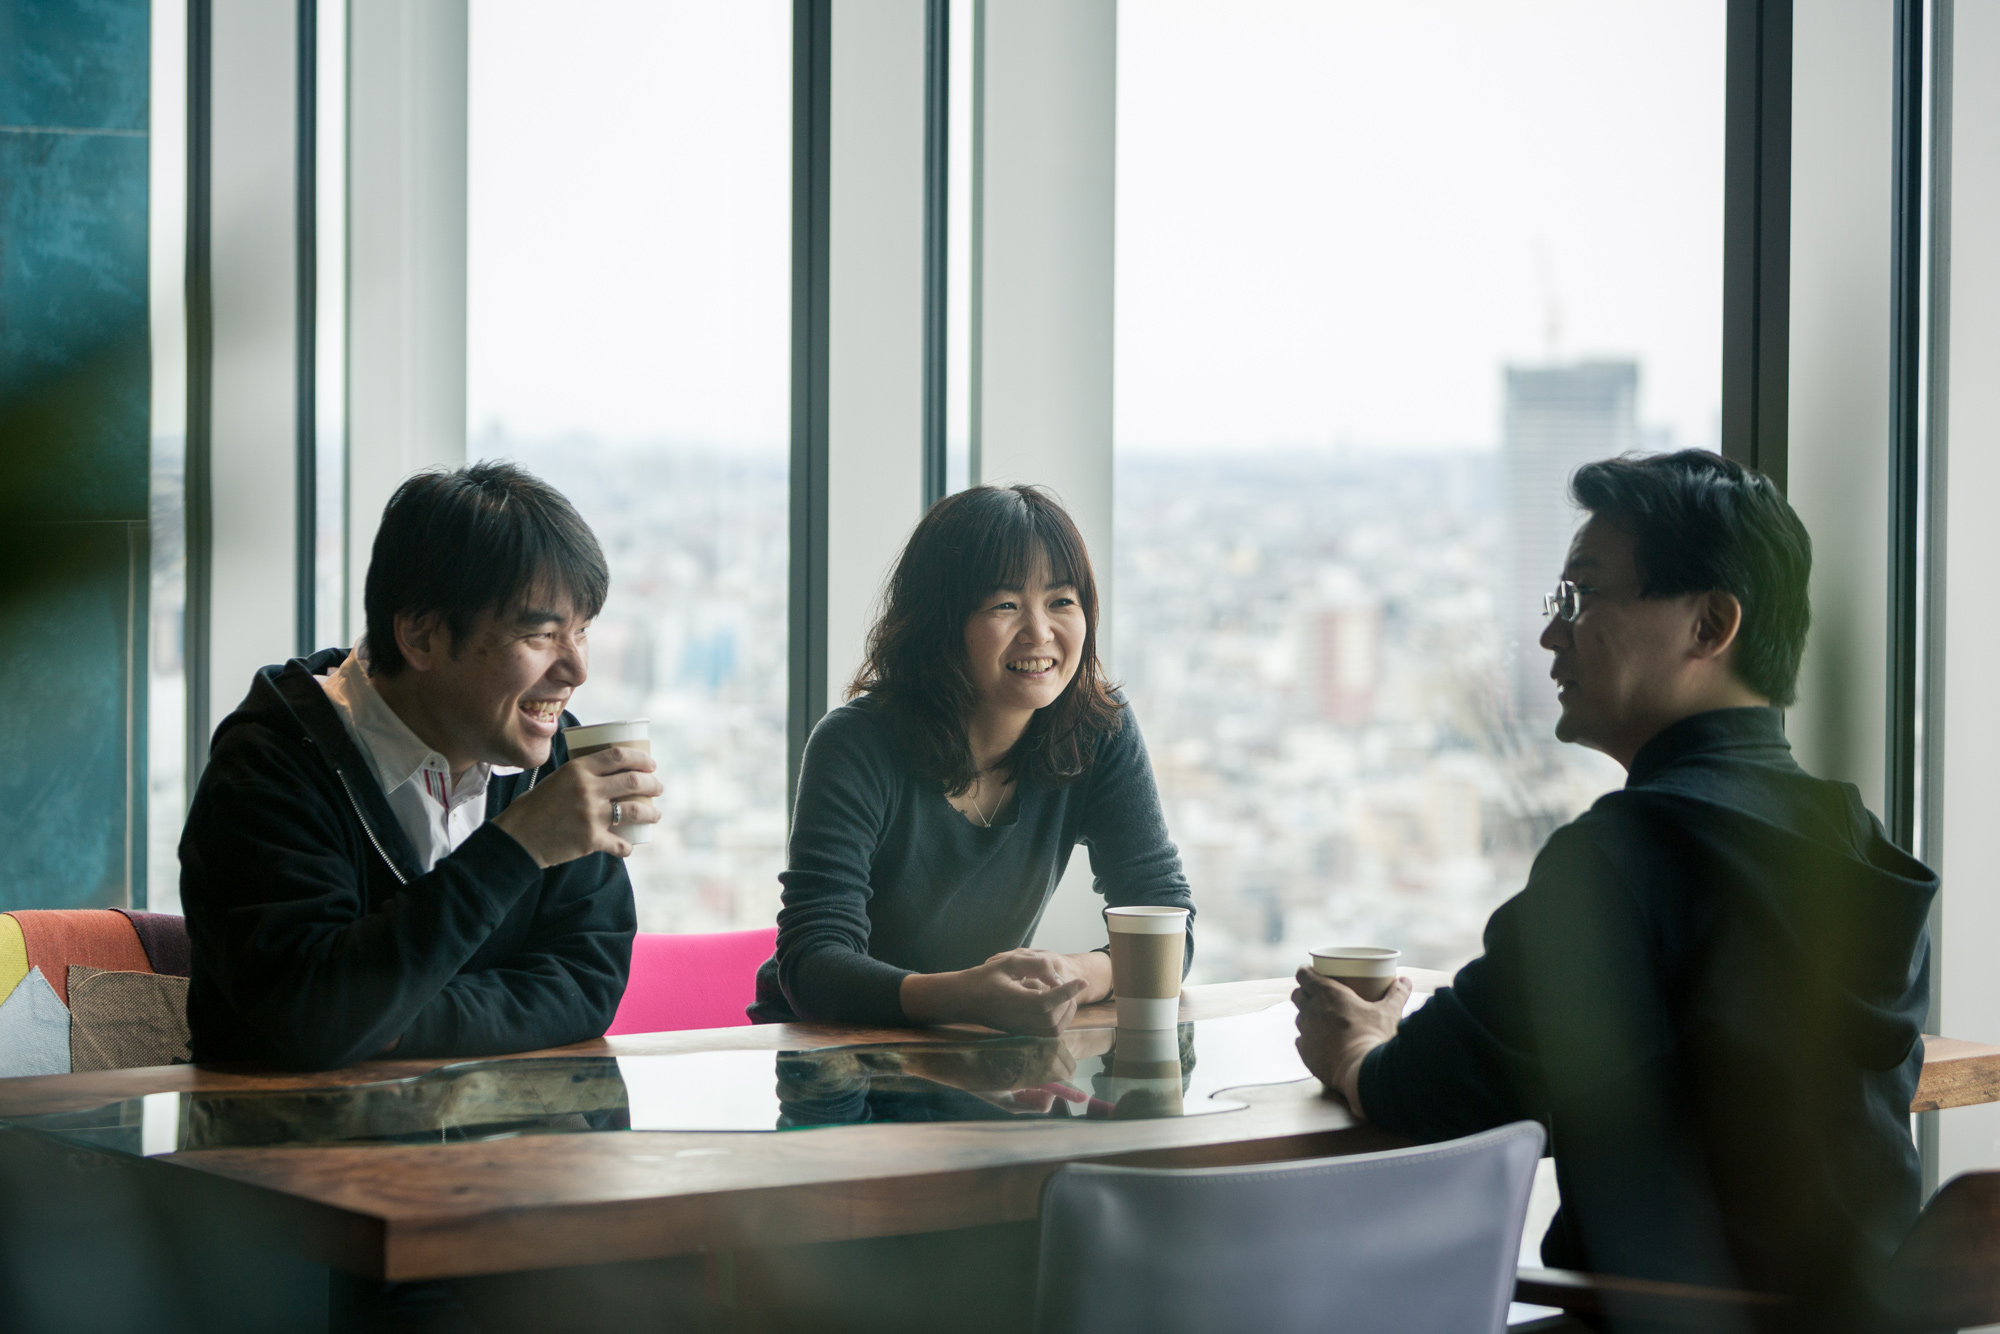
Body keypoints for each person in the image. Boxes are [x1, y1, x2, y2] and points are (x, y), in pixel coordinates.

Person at [1294, 451, 1935, 1331]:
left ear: (1710, 624)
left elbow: (1442, 1087)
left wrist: (1357, 1053)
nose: (1554, 635)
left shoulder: (1628, 852)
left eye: (1584, 596)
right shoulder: (1856, 843)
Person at [182, 462, 660, 1070]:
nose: (576, 670)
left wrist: (401, 1023)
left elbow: (587, 982)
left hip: (508, 1149)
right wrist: (518, 846)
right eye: (541, 636)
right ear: (421, 636)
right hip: (286, 1150)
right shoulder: (270, 765)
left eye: (583, 631)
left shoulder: (553, 753)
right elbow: (308, 1015)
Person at [752, 484, 1194, 1034]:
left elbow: (1167, 924)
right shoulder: (856, 745)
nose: (1040, 632)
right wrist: (963, 997)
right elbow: (813, 964)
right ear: (938, 622)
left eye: (1061, 601)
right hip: (827, 1056)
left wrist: (1072, 973)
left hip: (977, 1046)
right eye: (1005, 605)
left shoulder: (1096, 725)